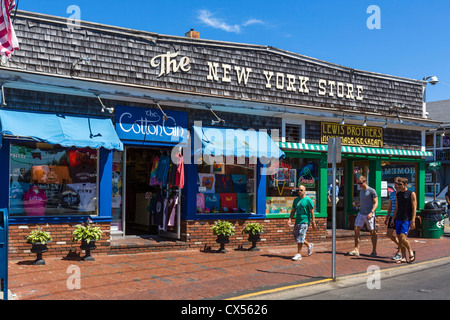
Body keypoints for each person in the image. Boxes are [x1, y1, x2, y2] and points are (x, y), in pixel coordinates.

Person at [347, 175, 378, 257]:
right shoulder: (361, 191)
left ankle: (374, 250)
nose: (359, 185)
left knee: (372, 232)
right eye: (358, 183)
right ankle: (356, 249)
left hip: (369, 214)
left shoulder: (371, 191)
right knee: (356, 229)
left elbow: (376, 203)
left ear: (365, 182)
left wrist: (371, 212)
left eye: (360, 183)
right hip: (361, 213)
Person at [390, 177, 416, 263]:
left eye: (400, 184)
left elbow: (414, 208)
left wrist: (413, 221)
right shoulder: (398, 194)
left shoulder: (411, 193)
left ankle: (411, 251)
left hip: (407, 218)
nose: (398, 186)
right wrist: (393, 218)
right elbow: (397, 207)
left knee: (402, 237)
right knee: (400, 239)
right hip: (398, 218)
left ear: (405, 184)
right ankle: (404, 257)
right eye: (397, 184)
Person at [288, 185, 316, 261]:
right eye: (298, 190)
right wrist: (290, 219)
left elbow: (312, 212)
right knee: (296, 236)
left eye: (301, 190)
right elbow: (293, 210)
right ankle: (309, 245)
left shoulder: (308, 200)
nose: (299, 192)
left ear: (305, 190)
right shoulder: (296, 200)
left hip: (305, 221)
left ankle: (299, 254)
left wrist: (313, 222)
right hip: (297, 221)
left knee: (300, 237)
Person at [384, 177, 401, 260]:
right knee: (389, 234)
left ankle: (399, 252)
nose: (395, 184)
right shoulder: (393, 193)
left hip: (399, 217)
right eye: (394, 183)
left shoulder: (403, 193)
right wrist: (387, 218)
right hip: (392, 216)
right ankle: (400, 245)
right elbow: (390, 206)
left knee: (399, 235)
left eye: (397, 183)